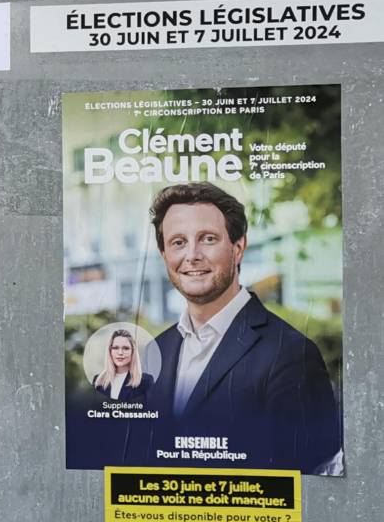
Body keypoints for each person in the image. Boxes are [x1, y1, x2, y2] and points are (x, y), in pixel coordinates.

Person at [138, 182, 341, 474]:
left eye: (207, 239)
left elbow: (309, 482)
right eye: (178, 242)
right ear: (163, 255)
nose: (192, 255)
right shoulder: (155, 352)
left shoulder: (291, 354)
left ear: (238, 248)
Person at [92, 329, 153, 401]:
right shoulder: (98, 380)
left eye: (126, 348)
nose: (120, 353)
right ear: (110, 351)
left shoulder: (145, 381)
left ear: (133, 352)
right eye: (115, 348)